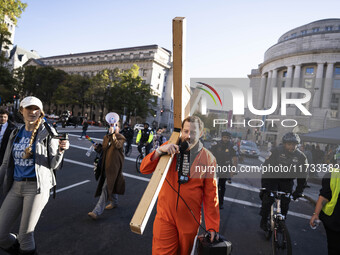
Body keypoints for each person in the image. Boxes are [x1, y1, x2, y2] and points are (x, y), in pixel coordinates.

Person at [140, 116, 220, 255]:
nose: (188, 136)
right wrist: (159, 151)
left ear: (201, 133)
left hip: (189, 220)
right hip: (165, 216)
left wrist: (212, 226)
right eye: (186, 131)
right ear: (181, 131)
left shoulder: (208, 159)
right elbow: (144, 169)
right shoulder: (169, 150)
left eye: (193, 132)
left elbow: (211, 195)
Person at [0, 96, 69, 254]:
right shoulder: (15, 133)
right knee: (1, 234)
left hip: (37, 188)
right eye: (29, 108)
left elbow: (54, 166)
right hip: (15, 187)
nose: (33, 112)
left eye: (36, 109)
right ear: (21, 111)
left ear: (41, 112)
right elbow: (5, 164)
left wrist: (60, 151)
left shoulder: (48, 132)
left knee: (25, 235)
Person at [260, 132, 307, 231]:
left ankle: (282, 222)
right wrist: (265, 186)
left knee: (285, 202)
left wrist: (299, 191)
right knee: (268, 199)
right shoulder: (275, 151)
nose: (291, 147)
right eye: (289, 144)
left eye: (294, 144)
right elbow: (266, 168)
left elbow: (303, 175)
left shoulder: (301, 157)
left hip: (287, 182)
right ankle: (264, 220)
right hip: (272, 179)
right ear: (284, 144)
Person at [88, 112, 125, 220]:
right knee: (110, 185)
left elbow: (117, 145)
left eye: (116, 125)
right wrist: (97, 148)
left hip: (114, 168)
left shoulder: (121, 137)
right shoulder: (106, 137)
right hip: (105, 165)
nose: (113, 126)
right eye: (111, 125)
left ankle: (96, 211)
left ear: (119, 128)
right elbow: (104, 150)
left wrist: (113, 135)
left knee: (105, 187)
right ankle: (115, 202)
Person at [310, 147, 340, 255]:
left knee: (333, 248)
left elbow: (323, 197)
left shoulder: (332, 175)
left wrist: (315, 214)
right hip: (334, 220)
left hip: (333, 220)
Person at [211, 130, 237, 209]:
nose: (226, 139)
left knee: (222, 186)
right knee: (212, 184)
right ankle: (212, 201)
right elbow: (210, 154)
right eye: (224, 137)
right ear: (222, 137)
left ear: (229, 138)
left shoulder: (232, 147)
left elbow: (235, 158)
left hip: (225, 166)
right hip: (216, 166)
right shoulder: (216, 144)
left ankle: (220, 202)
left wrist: (234, 169)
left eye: (227, 138)